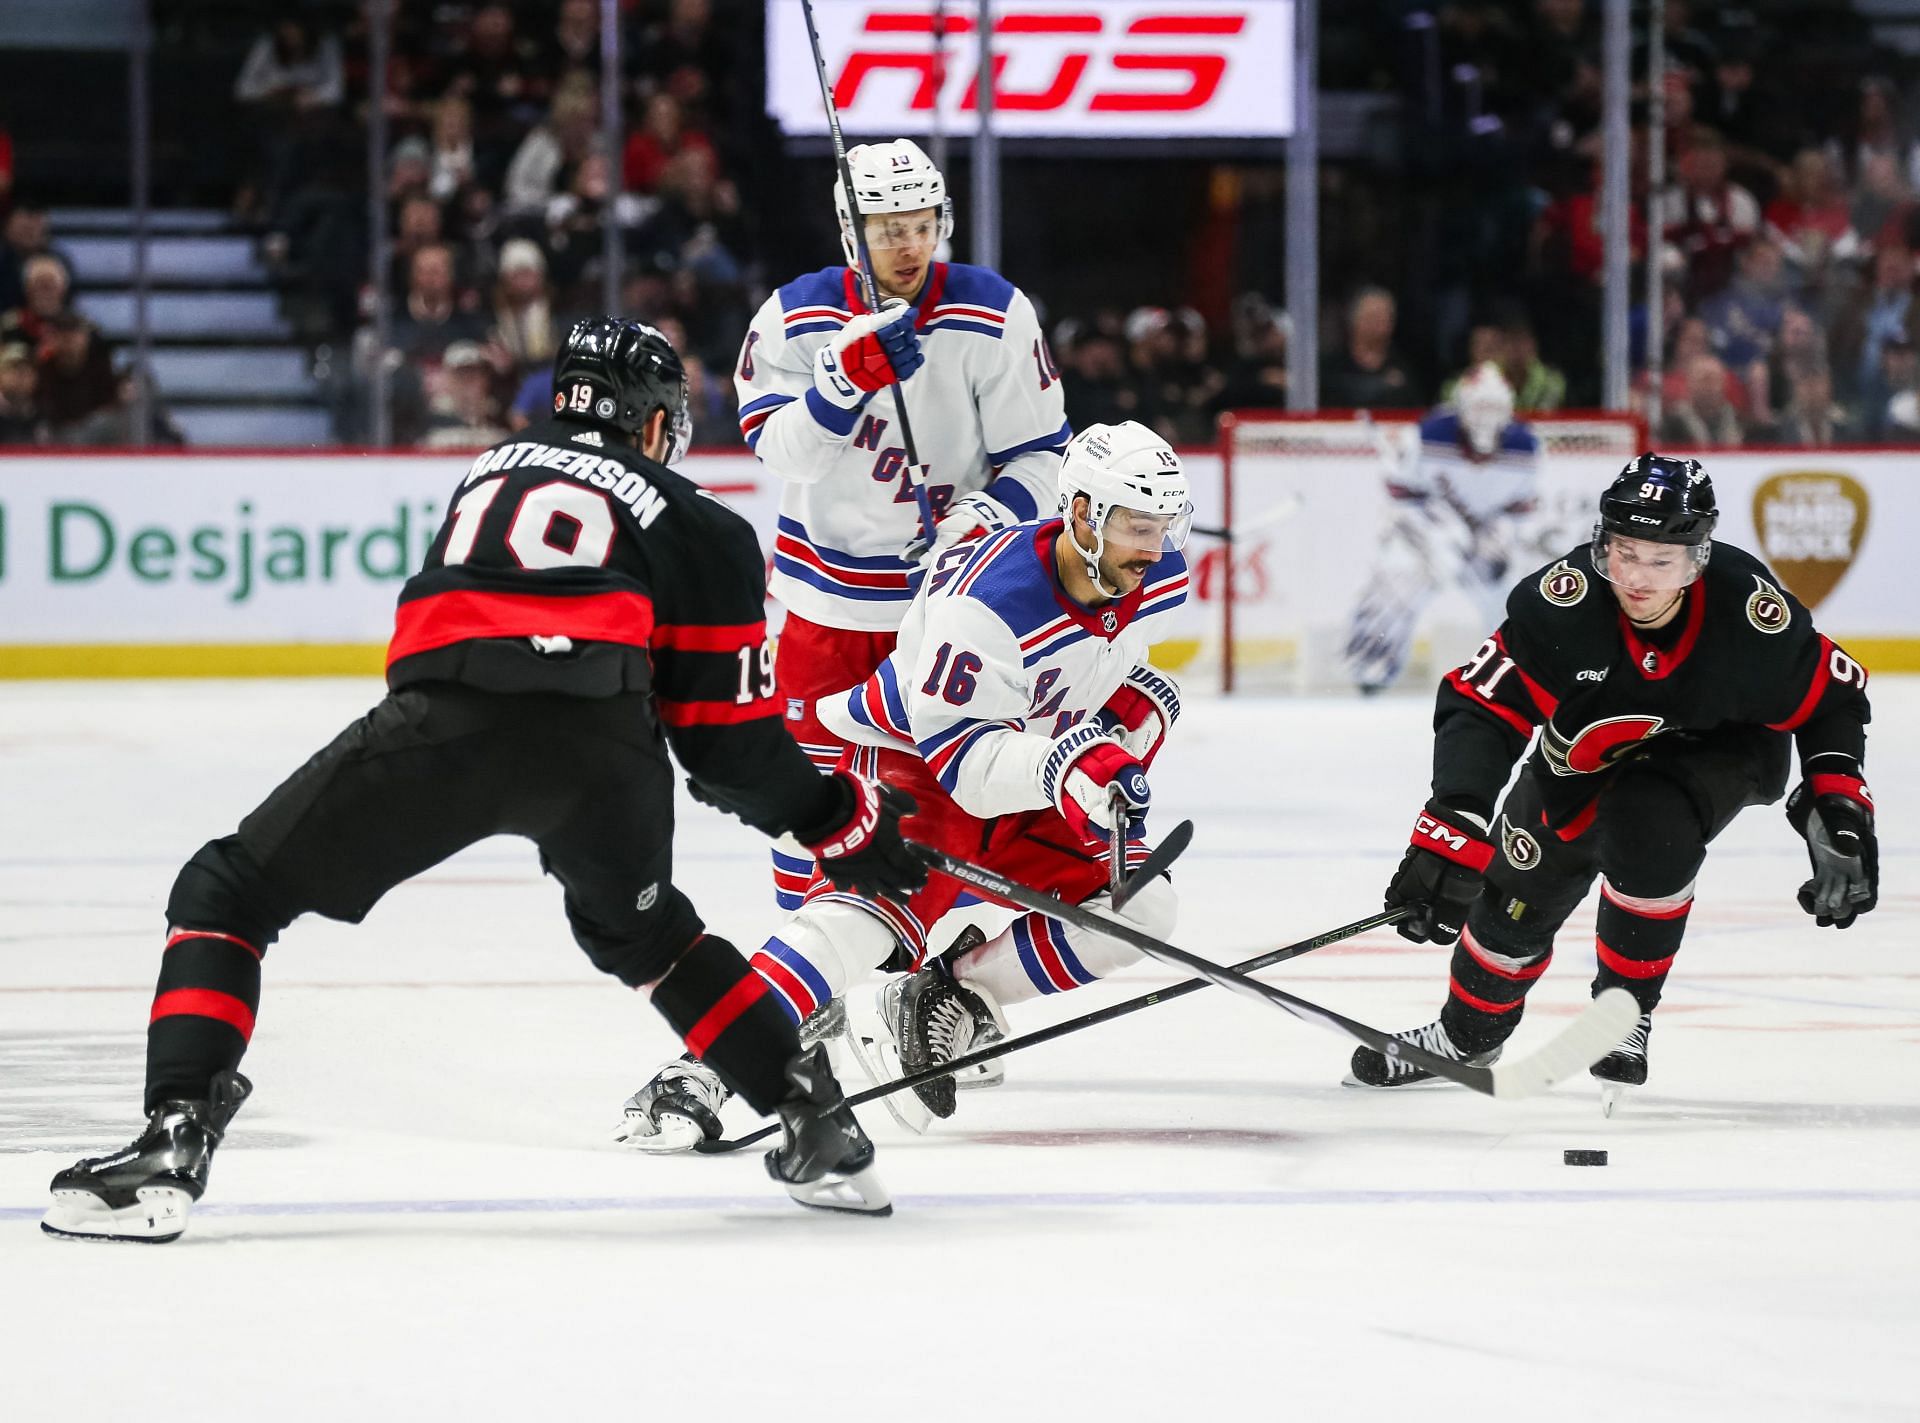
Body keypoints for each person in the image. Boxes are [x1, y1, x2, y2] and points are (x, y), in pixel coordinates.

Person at [41, 319, 927, 1242]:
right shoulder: (700, 519)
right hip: (600, 753)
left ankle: (174, 1138)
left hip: (446, 722)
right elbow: (729, 749)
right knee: (652, 935)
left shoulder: (494, 466)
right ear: (656, 422)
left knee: (226, 890)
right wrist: (841, 821)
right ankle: (820, 1127)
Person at [618, 421, 1192, 1150]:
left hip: (1028, 766)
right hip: (925, 761)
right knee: (864, 919)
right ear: (1080, 513)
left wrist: (1124, 736)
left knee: (1143, 903)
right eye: (1137, 526)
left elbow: (1115, 675)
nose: (1154, 546)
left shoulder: (1154, 572)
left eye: (1165, 526)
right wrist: (1073, 765)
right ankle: (702, 1066)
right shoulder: (988, 602)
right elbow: (967, 767)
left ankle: (949, 994)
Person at [1346, 455, 1878, 1113]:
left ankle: (1625, 1011)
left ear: (1698, 558)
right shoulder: (1564, 604)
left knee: (1646, 815)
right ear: (1603, 542)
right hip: (1579, 763)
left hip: (1721, 752)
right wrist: (1455, 816)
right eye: (1624, 552)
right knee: (1515, 897)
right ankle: (1465, 1036)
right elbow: (1484, 704)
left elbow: (1831, 698)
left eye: (1661, 560)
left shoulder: (1748, 613)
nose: (1635, 577)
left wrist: (1840, 801)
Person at [731, 138, 1072, 910]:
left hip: (955, 613)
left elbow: (1045, 460)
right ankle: (805, 980)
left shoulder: (993, 313)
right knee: (812, 803)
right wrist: (839, 385)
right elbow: (781, 452)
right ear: (852, 233)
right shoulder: (797, 317)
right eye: (887, 227)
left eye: (921, 223)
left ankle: (940, 983)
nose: (908, 243)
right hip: (828, 611)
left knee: (956, 810)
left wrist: (987, 514)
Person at [1345, 362, 1539, 693]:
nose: (1486, 417)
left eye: (1494, 407)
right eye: (1480, 406)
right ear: (1462, 405)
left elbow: (1516, 510)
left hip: (1482, 535)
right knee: (1398, 580)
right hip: (1420, 531)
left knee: (1507, 591)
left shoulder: (1526, 448)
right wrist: (1438, 532)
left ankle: (1516, 669)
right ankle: (1370, 667)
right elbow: (1402, 494)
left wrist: (1498, 538)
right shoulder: (1427, 436)